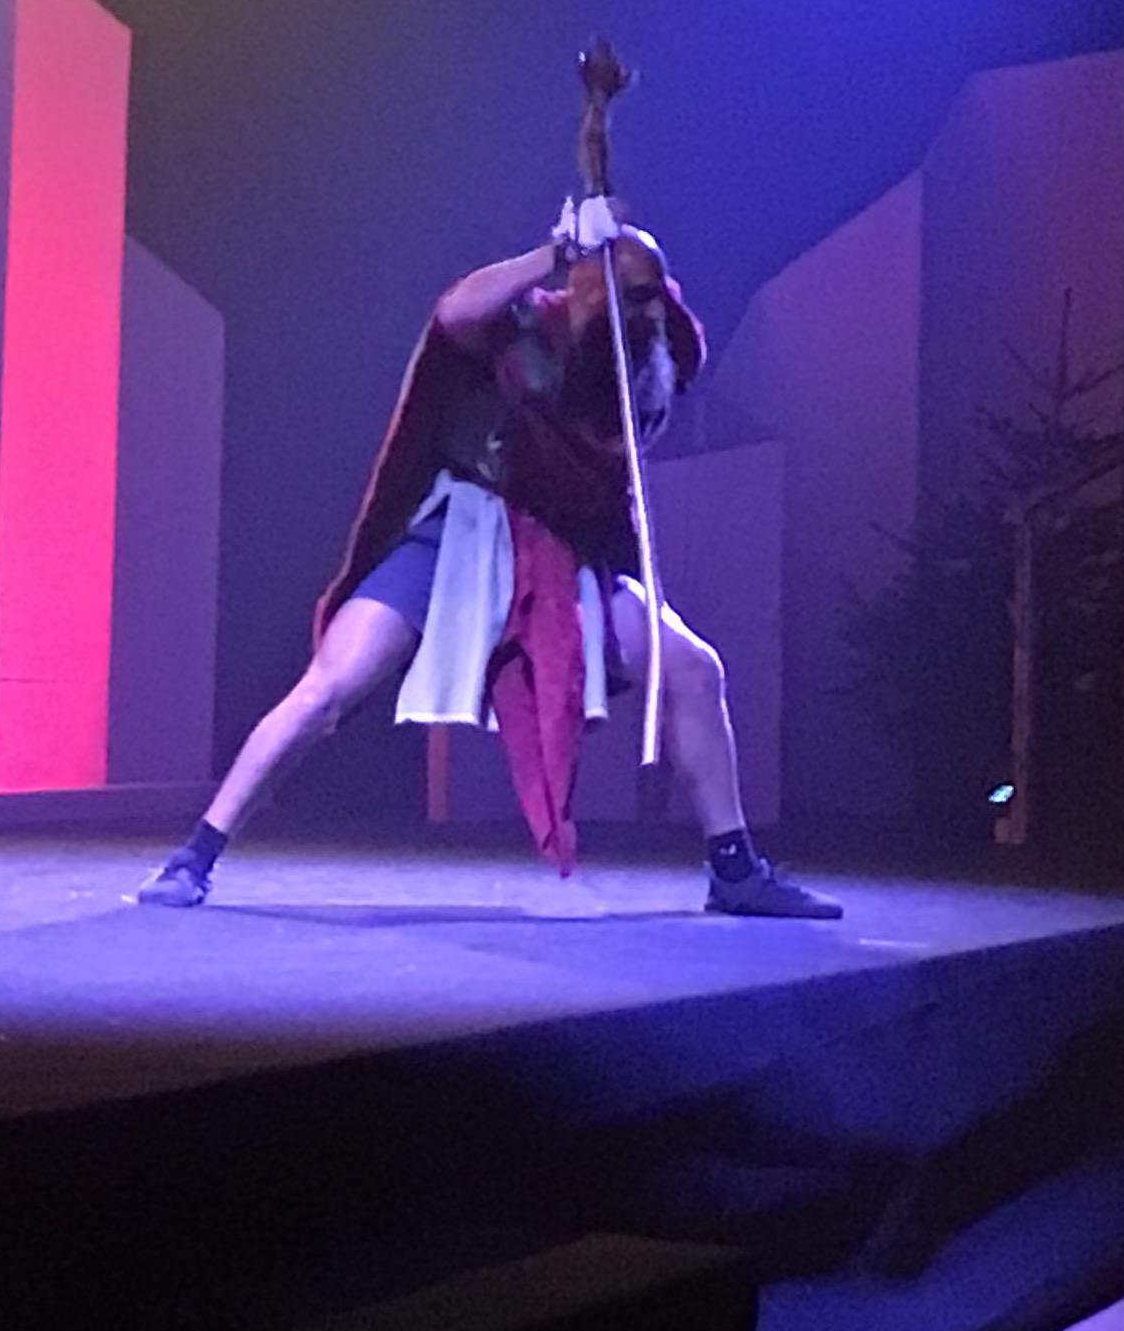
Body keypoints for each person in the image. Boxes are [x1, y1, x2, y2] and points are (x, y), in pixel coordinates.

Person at [136, 194, 834, 919]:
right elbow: (455, 312)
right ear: (583, 293)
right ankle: (195, 856)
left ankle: (734, 870)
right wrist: (557, 253)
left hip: (564, 555)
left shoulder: (650, 355)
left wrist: (632, 278)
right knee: (329, 688)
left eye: (653, 296)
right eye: (631, 297)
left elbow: (673, 338)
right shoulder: (522, 326)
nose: (650, 311)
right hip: (460, 538)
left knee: (692, 668)